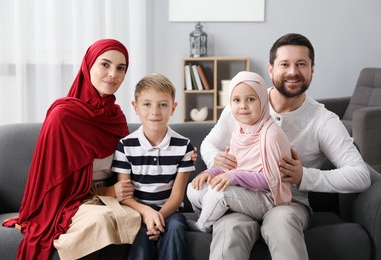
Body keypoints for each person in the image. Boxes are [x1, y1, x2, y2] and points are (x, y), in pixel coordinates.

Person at [200, 33, 371, 260]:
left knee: (281, 224)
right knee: (230, 229)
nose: (293, 71)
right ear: (271, 70)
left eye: (301, 64)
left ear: (312, 69)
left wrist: (304, 176)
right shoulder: (242, 103)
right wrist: (215, 160)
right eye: (284, 64)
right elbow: (208, 143)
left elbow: (360, 175)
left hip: (288, 204)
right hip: (240, 198)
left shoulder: (323, 120)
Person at [3, 39, 141, 260]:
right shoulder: (63, 116)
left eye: (120, 68)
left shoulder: (116, 117)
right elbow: (53, 184)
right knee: (102, 221)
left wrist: (175, 154)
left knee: (130, 219)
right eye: (105, 64)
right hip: (70, 202)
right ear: (88, 66)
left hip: (109, 197)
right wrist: (106, 193)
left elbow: (129, 163)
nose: (113, 74)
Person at [187, 71, 292, 233]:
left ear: (263, 101)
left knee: (218, 194)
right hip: (243, 191)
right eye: (236, 100)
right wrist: (211, 172)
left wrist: (233, 177)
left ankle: (202, 226)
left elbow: (271, 180)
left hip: (266, 197)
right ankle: (211, 215)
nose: (243, 105)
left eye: (250, 99)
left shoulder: (272, 135)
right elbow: (233, 166)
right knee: (194, 188)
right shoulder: (240, 129)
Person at [111, 73, 195, 260]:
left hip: (170, 211)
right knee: (139, 235)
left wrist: (158, 218)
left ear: (173, 108)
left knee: (175, 228)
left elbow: (177, 196)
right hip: (137, 211)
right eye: (147, 104)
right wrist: (148, 214)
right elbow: (125, 196)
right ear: (136, 107)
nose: (155, 111)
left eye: (163, 105)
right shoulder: (125, 146)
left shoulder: (184, 146)